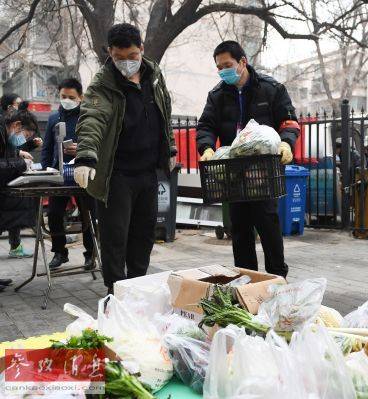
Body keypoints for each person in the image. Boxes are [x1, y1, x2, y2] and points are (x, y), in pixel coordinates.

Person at [73, 23, 177, 295]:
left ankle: (137, 286)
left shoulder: (154, 75)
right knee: (115, 237)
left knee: (144, 236)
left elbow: (164, 113)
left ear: (141, 49)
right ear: (110, 53)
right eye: (120, 58)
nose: (127, 63)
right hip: (117, 173)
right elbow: (92, 119)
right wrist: (86, 156)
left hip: (148, 172)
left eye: (132, 56)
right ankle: (115, 291)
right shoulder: (103, 83)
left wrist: (171, 150)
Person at [196, 41, 299, 278]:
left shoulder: (270, 89)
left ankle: (276, 278)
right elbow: (206, 126)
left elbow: (289, 121)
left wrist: (286, 142)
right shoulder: (217, 95)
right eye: (219, 67)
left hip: (264, 173)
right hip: (234, 174)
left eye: (228, 65)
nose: (224, 71)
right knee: (240, 230)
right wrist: (207, 147)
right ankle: (247, 279)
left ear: (243, 62)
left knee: (268, 226)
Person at [41, 78, 95, 270]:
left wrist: (80, 149)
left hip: (83, 173)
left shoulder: (88, 118)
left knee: (87, 214)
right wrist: (45, 170)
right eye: (63, 96)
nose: (67, 100)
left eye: (71, 97)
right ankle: (59, 252)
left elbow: (96, 145)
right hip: (59, 174)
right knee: (54, 214)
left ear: (80, 97)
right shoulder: (54, 118)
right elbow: (46, 148)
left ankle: (91, 254)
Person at [0, 110, 38, 258]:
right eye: (25, 135)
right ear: (16, 125)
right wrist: (21, 163)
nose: (23, 140)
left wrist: (18, 156)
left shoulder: (6, 135)